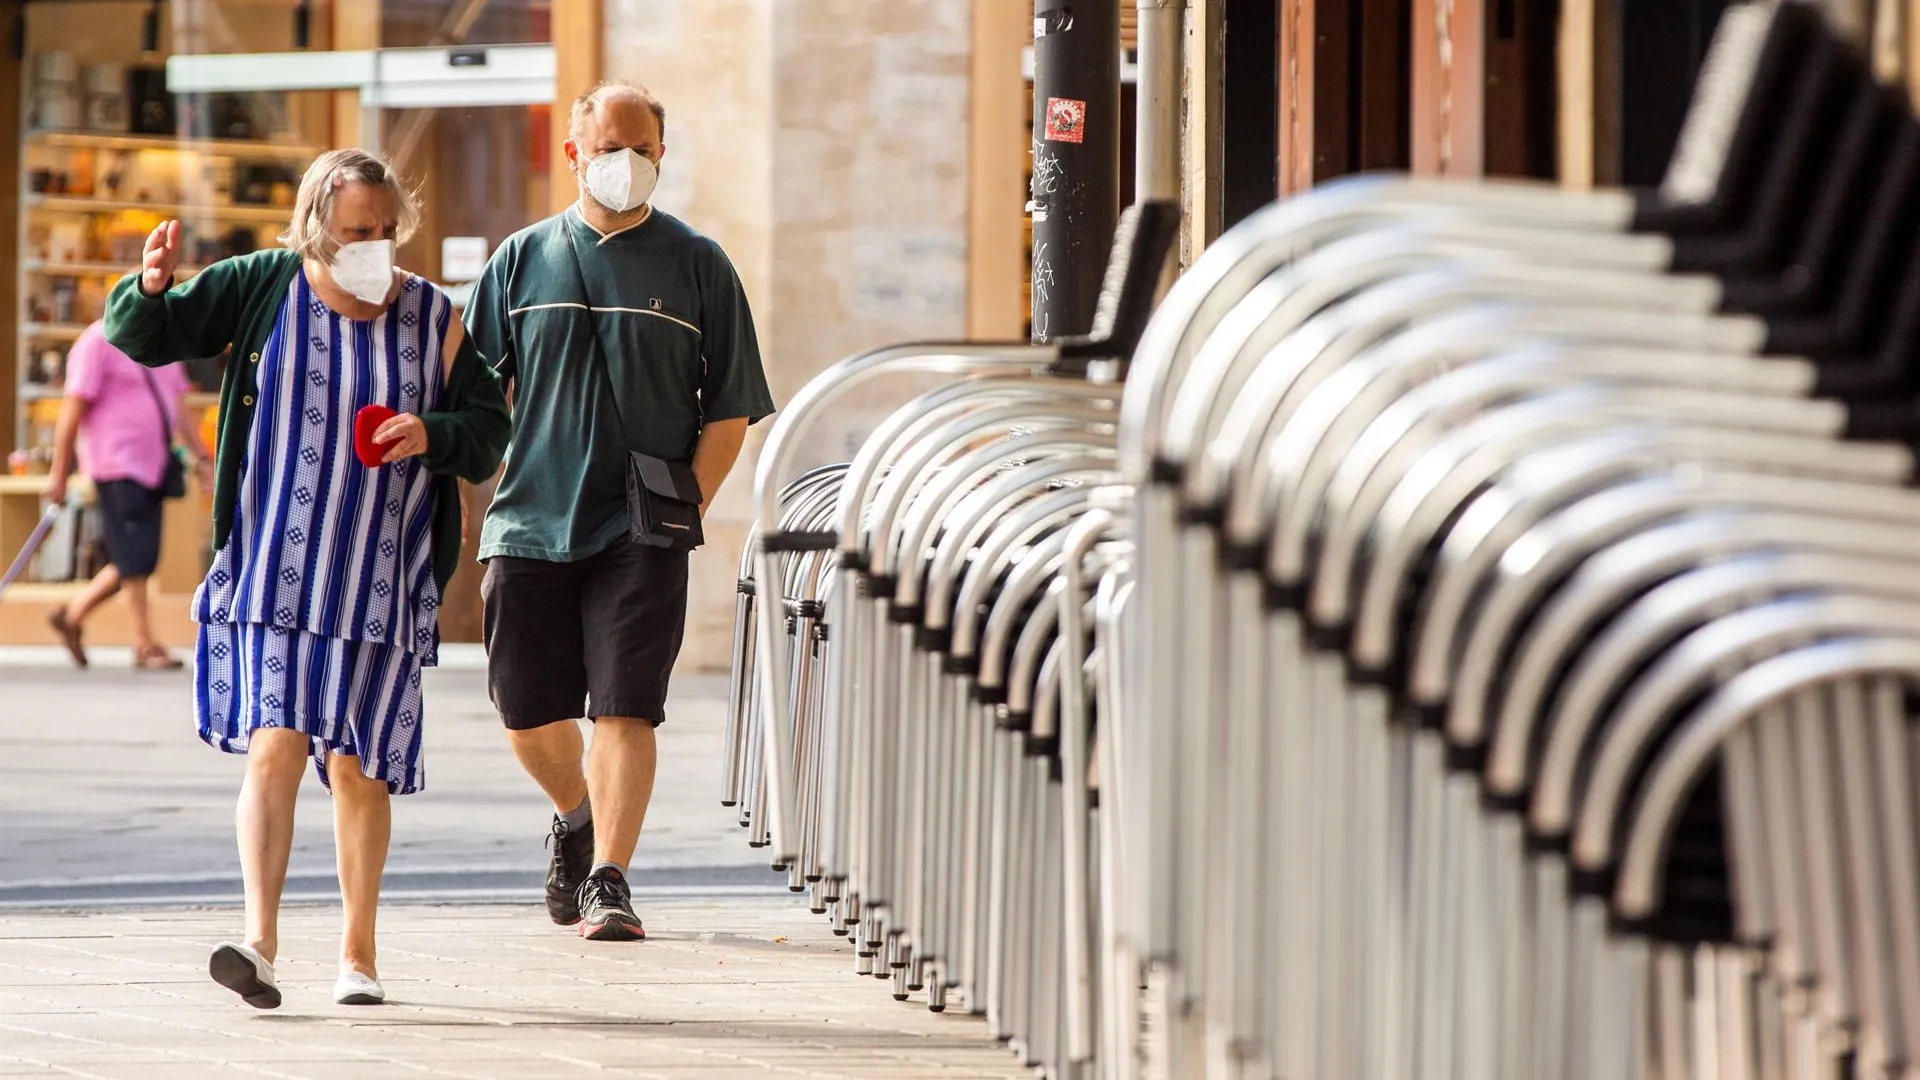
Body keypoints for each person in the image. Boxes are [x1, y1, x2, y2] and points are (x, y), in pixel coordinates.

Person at [104, 149, 510, 1007]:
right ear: (314, 230)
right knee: (276, 746)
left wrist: (431, 433)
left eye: (382, 230)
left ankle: (358, 955)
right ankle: (258, 941)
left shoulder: (433, 316)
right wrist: (145, 288)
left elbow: (486, 426)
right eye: (353, 232)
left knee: (358, 766)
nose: (372, 245)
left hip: (380, 578)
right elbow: (150, 337)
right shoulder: (262, 285)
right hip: (273, 571)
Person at [466, 81, 774, 941]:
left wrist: (685, 504)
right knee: (525, 709)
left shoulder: (699, 264)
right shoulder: (520, 261)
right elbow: (467, 396)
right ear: (574, 154)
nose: (624, 165)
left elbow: (731, 409)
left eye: (640, 149)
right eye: (608, 148)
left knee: (627, 706)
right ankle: (575, 813)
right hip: (529, 521)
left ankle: (610, 878)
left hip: (642, 530)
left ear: (661, 157)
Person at [44, 320, 214, 670]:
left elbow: (179, 406)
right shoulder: (97, 341)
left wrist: (202, 457)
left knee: (139, 557)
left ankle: (73, 615)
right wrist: (59, 473)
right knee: (134, 556)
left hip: (153, 465)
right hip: (116, 464)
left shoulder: (164, 341)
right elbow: (72, 409)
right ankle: (144, 643)